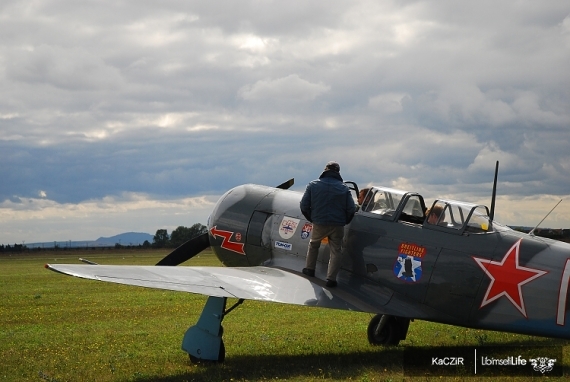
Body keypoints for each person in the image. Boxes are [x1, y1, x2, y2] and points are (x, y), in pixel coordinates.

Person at [300, 161, 356, 287]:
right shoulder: (344, 188)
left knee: (314, 244)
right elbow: (351, 209)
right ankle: (331, 279)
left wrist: (311, 218)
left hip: (319, 222)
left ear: (325, 170)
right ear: (338, 172)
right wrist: (345, 221)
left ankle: (310, 269)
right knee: (336, 250)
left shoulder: (312, 185)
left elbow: (304, 206)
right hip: (338, 224)